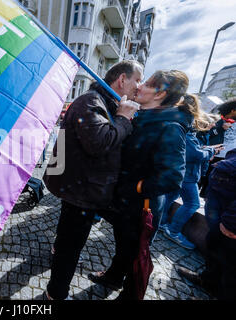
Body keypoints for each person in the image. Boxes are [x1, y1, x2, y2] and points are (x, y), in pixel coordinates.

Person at [42, 60, 143, 300]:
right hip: (82, 190)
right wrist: (124, 119)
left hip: (84, 186)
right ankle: (55, 294)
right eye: (137, 79)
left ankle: (59, 252)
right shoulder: (91, 101)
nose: (139, 86)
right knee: (71, 246)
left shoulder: (106, 102)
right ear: (121, 79)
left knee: (68, 236)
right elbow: (99, 142)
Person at [88, 70, 192, 300]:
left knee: (136, 254)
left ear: (160, 94)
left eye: (146, 84)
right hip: (124, 203)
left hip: (141, 206)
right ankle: (113, 277)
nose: (139, 86)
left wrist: (135, 187)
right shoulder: (144, 116)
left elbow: (172, 176)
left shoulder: (170, 126)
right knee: (124, 246)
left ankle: (131, 295)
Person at [160, 95, 223, 249]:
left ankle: (161, 223)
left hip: (183, 172)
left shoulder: (183, 128)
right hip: (187, 175)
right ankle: (173, 231)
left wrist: (207, 149)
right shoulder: (185, 129)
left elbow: (193, 150)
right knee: (193, 203)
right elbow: (193, 154)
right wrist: (209, 152)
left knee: (171, 196)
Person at [176, 148, 236, 300]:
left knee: (231, 273)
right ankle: (208, 281)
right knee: (215, 252)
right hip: (220, 217)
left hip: (230, 225)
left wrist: (231, 222)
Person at [198, 98, 236, 197]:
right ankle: (203, 196)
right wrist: (221, 129)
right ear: (233, 110)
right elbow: (208, 134)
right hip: (216, 154)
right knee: (207, 177)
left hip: (230, 157)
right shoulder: (218, 121)